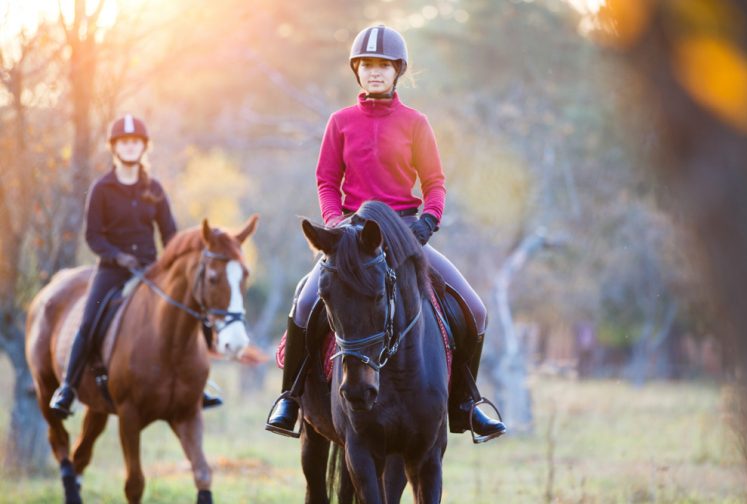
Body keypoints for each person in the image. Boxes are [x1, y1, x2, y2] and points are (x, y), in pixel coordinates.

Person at [265, 25, 506, 442]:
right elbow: (326, 180)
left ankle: (465, 402)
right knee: (304, 304)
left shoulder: (416, 123)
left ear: (398, 71)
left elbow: (434, 183)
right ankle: (290, 398)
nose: (374, 72)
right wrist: (336, 223)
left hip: (404, 236)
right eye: (366, 65)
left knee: (475, 309)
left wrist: (427, 222)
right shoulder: (340, 122)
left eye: (383, 66)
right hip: (350, 238)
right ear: (356, 70)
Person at [49, 114, 222, 418]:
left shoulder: (154, 188)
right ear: (115, 147)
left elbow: (169, 233)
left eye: (135, 142)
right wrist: (117, 256)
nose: (130, 147)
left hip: (149, 269)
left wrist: (172, 261)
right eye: (124, 142)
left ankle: (201, 385)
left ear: (144, 147)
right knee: (89, 322)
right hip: (111, 271)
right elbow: (93, 236)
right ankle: (68, 387)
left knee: (196, 311)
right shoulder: (101, 188)